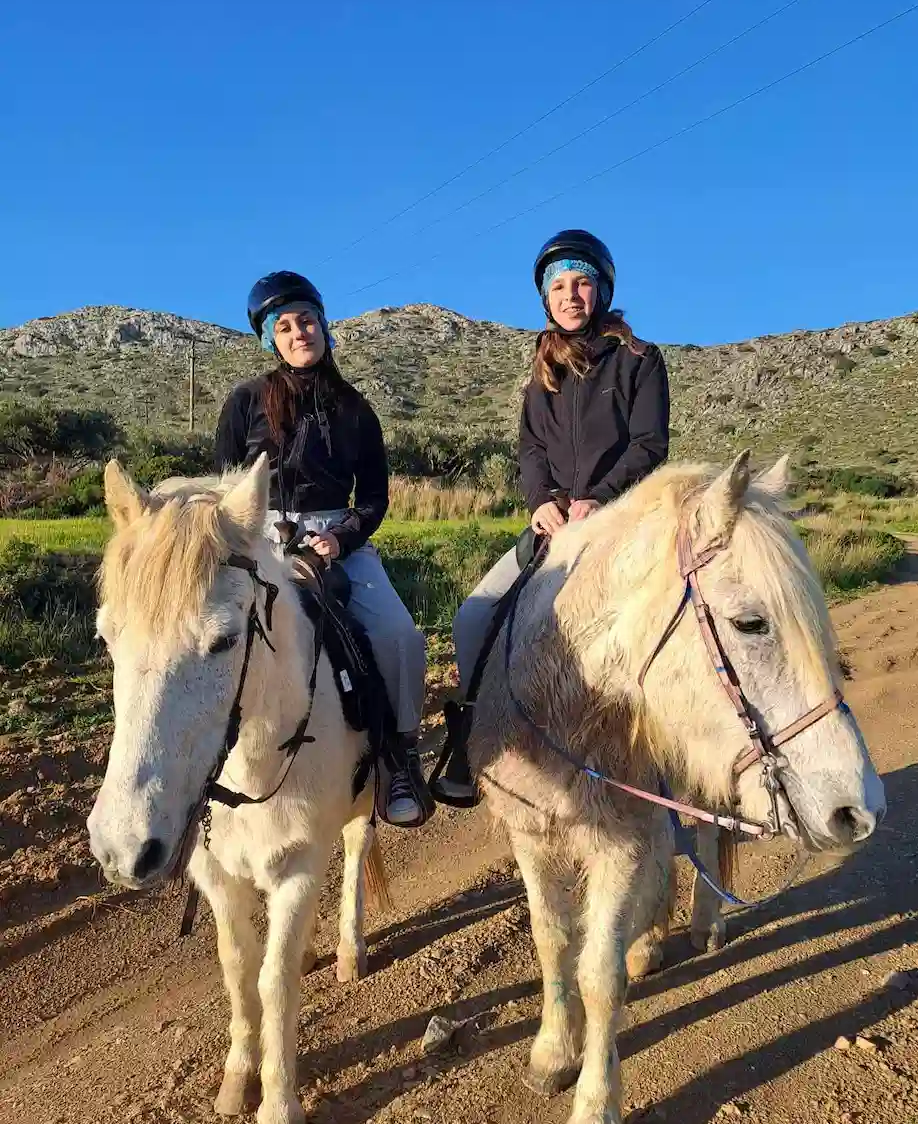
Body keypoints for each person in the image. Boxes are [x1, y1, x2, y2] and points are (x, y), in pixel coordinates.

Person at [433, 229, 671, 805]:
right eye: (558, 286)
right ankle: (473, 745)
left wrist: (598, 498)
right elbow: (531, 451)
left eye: (582, 282)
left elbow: (649, 445)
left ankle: (668, 757)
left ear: (602, 289)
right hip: (554, 527)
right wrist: (541, 502)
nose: (571, 295)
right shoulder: (542, 370)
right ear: (546, 298)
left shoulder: (640, 360)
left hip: (619, 519)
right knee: (473, 620)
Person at [215, 270, 434, 828]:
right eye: (283, 327)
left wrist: (336, 541)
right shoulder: (243, 404)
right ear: (271, 340)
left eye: (306, 320)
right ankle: (204, 763)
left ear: (323, 324)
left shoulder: (356, 409)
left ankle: (398, 758)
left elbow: (376, 499)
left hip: (339, 542)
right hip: (261, 543)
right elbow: (224, 487)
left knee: (398, 636)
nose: (298, 333)